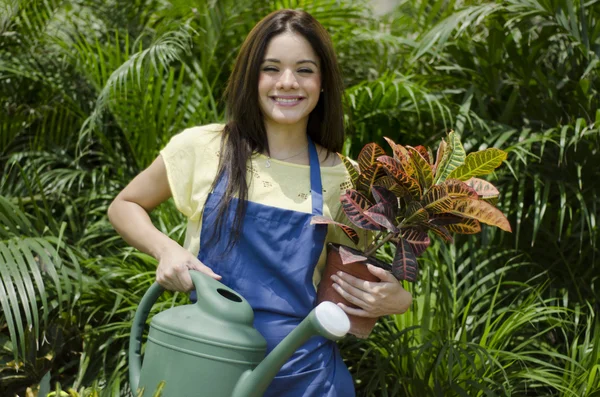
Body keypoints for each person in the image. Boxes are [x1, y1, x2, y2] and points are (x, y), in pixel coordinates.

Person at [108, 9, 412, 396]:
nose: (288, 83)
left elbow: (355, 276)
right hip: (206, 369)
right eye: (271, 68)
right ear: (251, 76)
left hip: (308, 379)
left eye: (304, 70)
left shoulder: (346, 176)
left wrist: (397, 300)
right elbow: (125, 205)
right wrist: (166, 250)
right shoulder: (204, 148)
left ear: (323, 83)